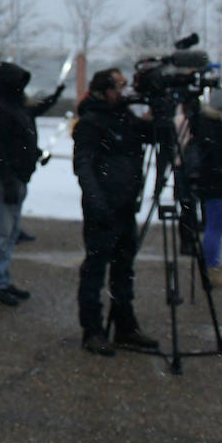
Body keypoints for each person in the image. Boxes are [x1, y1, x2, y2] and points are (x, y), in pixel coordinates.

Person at [72, 68, 160, 355]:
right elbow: (83, 165)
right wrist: (97, 202)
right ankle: (93, 331)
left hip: (125, 207)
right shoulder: (91, 121)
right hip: (103, 208)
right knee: (95, 270)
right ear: (106, 89)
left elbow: (156, 134)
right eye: (120, 86)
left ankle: (125, 326)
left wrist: (161, 105)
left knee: (124, 270)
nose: (125, 91)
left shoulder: (126, 117)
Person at [0, 62, 64, 306]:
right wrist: (7, 179)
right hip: (6, 178)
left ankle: (2, 279)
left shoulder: (11, 106)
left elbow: (20, 139)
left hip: (16, 177)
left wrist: (35, 154)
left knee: (10, 231)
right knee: (2, 232)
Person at [189, 104, 222, 287]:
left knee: (214, 227)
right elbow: (218, 151)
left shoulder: (210, 124)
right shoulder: (214, 126)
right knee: (214, 227)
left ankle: (210, 267)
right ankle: (211, 269)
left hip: (214, 182)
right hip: (216, 183)